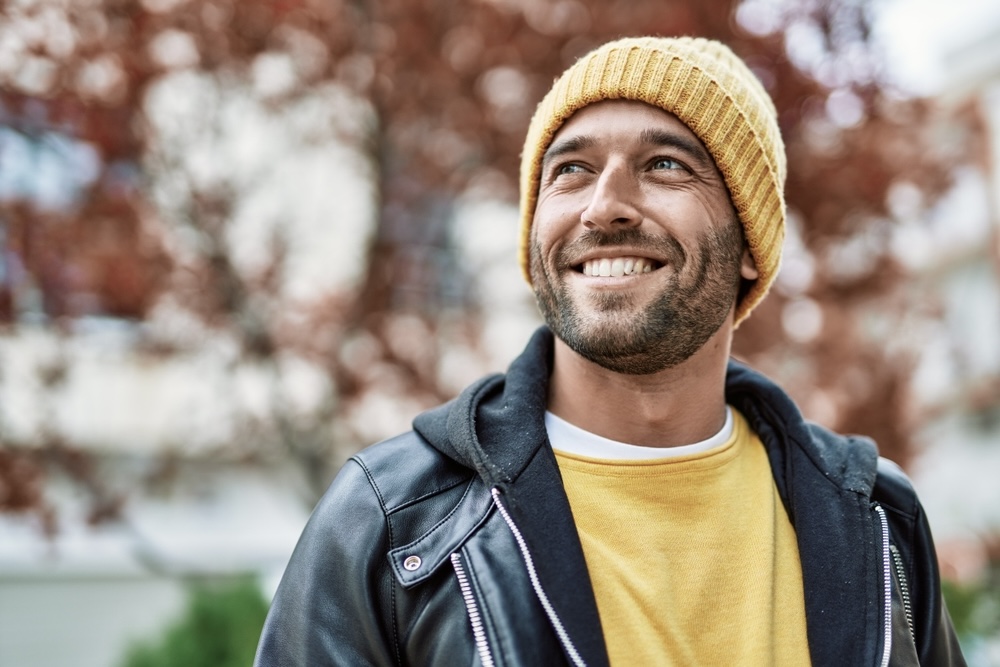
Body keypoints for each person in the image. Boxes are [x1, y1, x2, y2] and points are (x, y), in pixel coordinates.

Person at [255, 36, 965, 666]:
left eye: (662, 164)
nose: (604, 206)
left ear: (751, 243)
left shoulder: (877, 521)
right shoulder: (393, 521)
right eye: (570, 170)